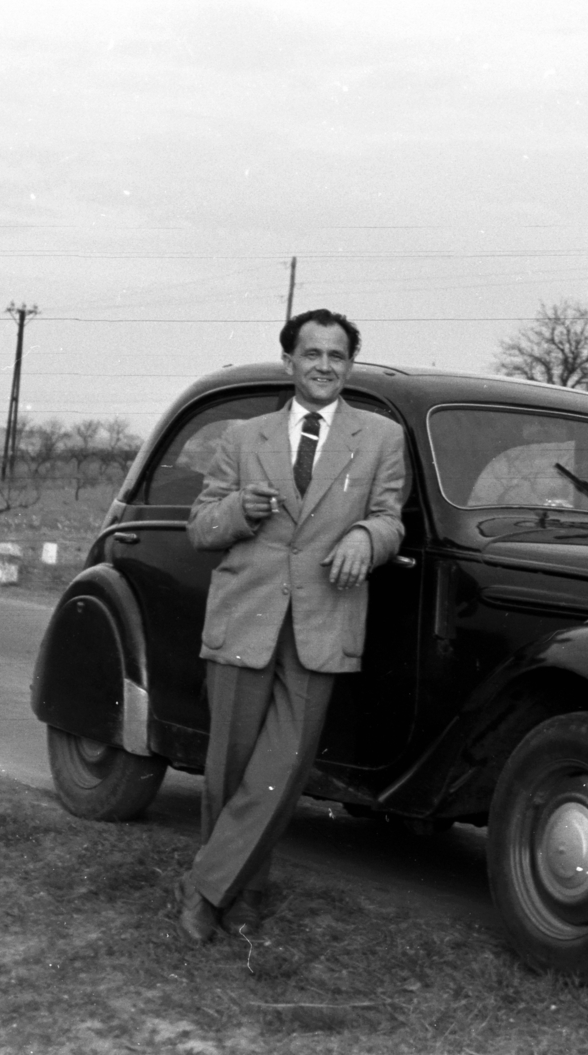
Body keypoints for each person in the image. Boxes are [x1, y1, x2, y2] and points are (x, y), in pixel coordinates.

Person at [177, 308, 406, 944]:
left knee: (281, 771)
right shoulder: (244, 438)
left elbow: (392, 518)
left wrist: (366, 535)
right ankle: (244, 893)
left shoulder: (381, 438)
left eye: (337, 356)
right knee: (230, 769)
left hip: (323, 620)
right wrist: (237, 510)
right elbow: (200, 526)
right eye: (312, 354)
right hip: (243, 616)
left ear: (350, 366)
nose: (325, 366)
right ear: (289, 363)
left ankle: (202, 887)